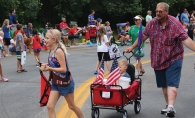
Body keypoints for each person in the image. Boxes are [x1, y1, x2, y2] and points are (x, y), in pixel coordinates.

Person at [125, 2, 195, 117]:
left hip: (174, 57)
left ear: (166, 12)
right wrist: (132, 47)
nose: (157, 13)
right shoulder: (152, 23)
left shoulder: (174, 23)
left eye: (160, 11)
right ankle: (169, 106)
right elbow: (143, 36)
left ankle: (171, 106)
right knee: (163, 84)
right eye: (156, 11)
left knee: (172, 82)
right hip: (158, 59)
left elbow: (186, 40)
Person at [40, 29, 84, 118]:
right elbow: (55, 63)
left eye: (47, 38)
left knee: (72, 106)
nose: (45, 40)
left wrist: (49, 68)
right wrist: (46, 65)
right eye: (45, 38)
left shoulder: (58, 51)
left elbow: (64, 69)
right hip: (56, 83)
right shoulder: (51, 50)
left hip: (65, 83)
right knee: (50, 106)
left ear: (54, 40)